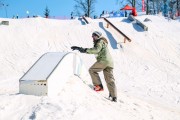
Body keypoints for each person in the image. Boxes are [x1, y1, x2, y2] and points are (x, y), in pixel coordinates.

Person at [71, 31, 117, 102]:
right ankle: (114, 96)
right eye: (92, 35)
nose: (92, 37)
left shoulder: (100, 42)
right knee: (109, 79)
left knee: (92, 70)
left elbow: (96, 50)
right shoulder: (103, 42)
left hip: (103, 60)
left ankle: (99, 86)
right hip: (110, 63)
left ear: (98, 36)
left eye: (94, 35)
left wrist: (83, 49)